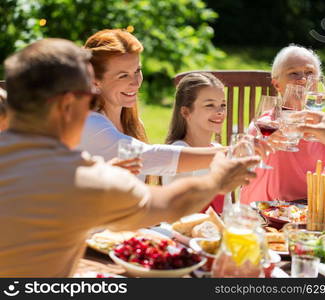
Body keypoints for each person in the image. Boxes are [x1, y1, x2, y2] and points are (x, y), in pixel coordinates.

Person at [0, 38, 259, 277]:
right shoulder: (78, 178)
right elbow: (167, 204)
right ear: (67, 105)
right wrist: (216, 180)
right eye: (88, 97)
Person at [78, 29, 228, 182]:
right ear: (95, 80)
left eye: (137, 71)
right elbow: (153, 157)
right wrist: (232, 153)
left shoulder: (132, 124)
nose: (136, 82)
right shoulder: (91, 124)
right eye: (123, 75)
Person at [240, 45, 325, 205]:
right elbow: (250, 143)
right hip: (264, 213)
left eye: (309, 73)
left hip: (311, 212)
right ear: (277, 85)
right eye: (293, 73)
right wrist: (263, 138)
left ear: (318, 81)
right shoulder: (268, 122)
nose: (303, 79)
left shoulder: (324, 125)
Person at [162, 72, 226, 213]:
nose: (220, 111)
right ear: (186, 112)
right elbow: (179, 213)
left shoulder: (218, 149)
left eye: (223, 104)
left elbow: (225, 209)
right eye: (210, 105)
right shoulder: (179, 151)